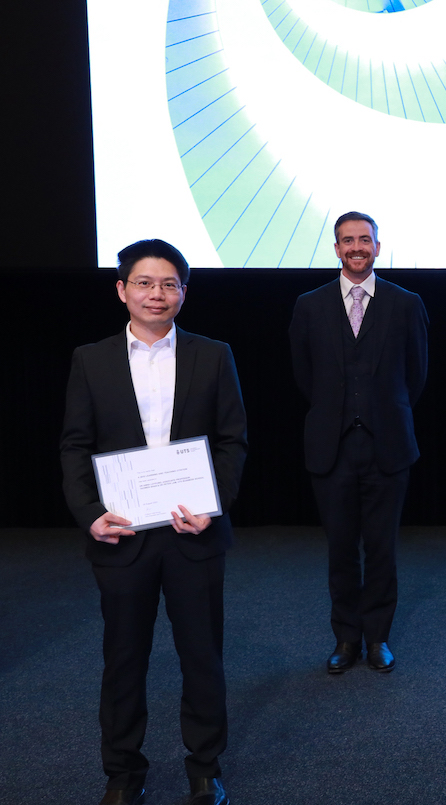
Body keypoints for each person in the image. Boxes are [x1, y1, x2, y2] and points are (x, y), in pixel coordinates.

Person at [60, 240, 248, 805]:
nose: (156, 294)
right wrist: (91, 515)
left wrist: (213, 506)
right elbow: (74, 446)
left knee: (201, 655)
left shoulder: (213, 355)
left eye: (168, 284)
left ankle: (204, 768)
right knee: (122, 659)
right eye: (144, 283)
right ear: (122, 291)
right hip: (123, 536)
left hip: (194, 533)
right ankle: (122, 773)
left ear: (183, 294)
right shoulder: (90, 359)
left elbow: (234, 443)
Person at [289, 211, 428, 674]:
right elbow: (304, 375)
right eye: (347, 240)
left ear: (377, 247)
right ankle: (345, 638)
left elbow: (416, 374)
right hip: (331, 449)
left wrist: (382, 412)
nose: (356, 247)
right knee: (341, 549)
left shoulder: (406, 303)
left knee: (382, 548)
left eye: (364, 240)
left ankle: (377, 639)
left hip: (388, 447)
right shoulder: (309, 305)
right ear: (335, 249)